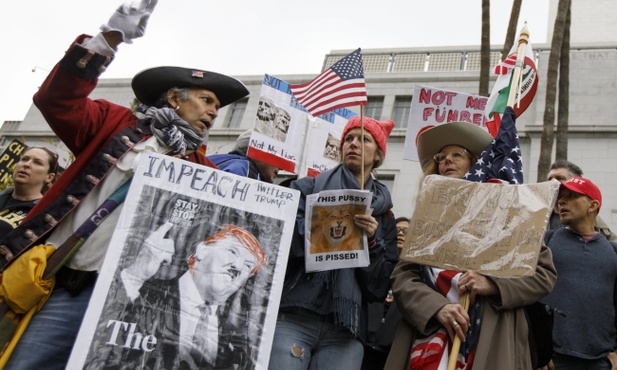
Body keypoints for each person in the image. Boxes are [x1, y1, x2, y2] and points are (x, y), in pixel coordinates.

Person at [0, 1, 249, 369]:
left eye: (217, 107)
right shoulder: (115, 123)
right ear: (172, 97)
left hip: (125, 303)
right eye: (206, 100)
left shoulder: (202, 169)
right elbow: (56, 101)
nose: (214, 112)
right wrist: (109, 39)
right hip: (63, 285)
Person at [385, 107, 557, 370]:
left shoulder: (509, 209)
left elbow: (543, 273)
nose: (447, 161)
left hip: (493, 337)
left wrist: (493, 285)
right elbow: (403, 276)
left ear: (476, 162)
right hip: (430, 336)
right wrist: (436, 307)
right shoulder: (428, 216)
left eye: (457, 154)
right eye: (441, 157)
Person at [267, 115, 399, 370]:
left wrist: (371, 241)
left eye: (364, 140)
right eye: (348, 138)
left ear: (378, 155)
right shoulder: (307, 189)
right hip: (296, 315)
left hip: (346, 330)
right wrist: (321, 226)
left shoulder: (384, 215)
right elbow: (281, 244)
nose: (353, 143)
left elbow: (379, 287)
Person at [97, 224, 266, 369]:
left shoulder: (238, 343)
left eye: (247, 265)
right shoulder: (143, 292)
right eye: (232, 252)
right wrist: (135, 276)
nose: (237, 266)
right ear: (202, 250)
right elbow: (100, 341)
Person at [541, 177, 617, 370]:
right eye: (561, 197)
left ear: (593, 205)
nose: (562, 201)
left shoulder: (613, 251)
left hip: (601, 361)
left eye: (572, 196)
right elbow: (528, 299)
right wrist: (538, 351)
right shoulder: (546, 242)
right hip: (553, 360)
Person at [361, 216, 409, 370]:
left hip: (390, 351)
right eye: (396, 230)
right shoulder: (378, 264)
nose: (400, 233)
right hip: (364, 343)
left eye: (406, 231)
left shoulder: (415, 275)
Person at [547, 159, 615, 241]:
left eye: (559, 178)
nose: (552, 183)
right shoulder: (541, 215)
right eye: (550, 179)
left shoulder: (595, 222)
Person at [0, 147, 58, 239]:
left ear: (49, 177)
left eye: (37, 162)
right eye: (24, 159)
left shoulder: (41, 216)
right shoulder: (2, 196)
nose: (27, 164)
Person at [208, 129, 279, 183]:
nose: (281, 167)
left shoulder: (213, 160)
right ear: (259, 152)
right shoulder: (242, 169)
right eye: (277, 158)